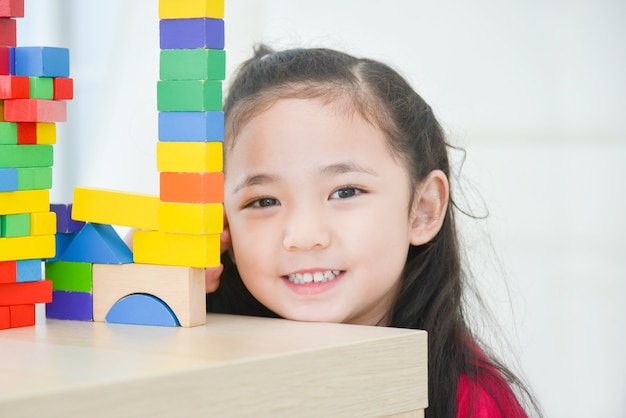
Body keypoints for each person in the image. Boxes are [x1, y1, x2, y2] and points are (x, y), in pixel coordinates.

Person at [204, 45, 540, 417]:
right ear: (224, 225)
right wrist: (146, 294)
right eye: (264, 201)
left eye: (345, 191)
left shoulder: (473, 403)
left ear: (422, 210)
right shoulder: (205, 374)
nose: (302, 235)